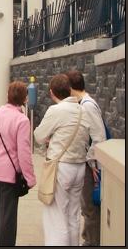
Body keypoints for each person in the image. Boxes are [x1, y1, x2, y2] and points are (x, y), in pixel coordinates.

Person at [33, 74, 104, 246]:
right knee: (73, 216)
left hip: (61, 167)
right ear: (69, 90)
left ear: (52, 92)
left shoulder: (56, 111)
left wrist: (52, 137)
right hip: (79, 167)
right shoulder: (83, 109)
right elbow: (99, 136)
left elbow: (38, 136)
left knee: (56, 217)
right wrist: (90, 158)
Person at [0, 81, 36, 246]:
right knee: (7, 219)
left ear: (8, 95)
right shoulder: (22, 120)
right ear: (25, 99)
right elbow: (24, 153)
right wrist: (30, 178)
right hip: (8, 177)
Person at [65, 70, 107, 246]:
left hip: (91, 166)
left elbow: (98, 136)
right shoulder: (85, 103)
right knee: (86, 207)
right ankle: (88, 239)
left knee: (89, 207)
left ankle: (91, 242)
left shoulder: (87, 106)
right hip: (90, 163)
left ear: (71, 88)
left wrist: (91, 162)